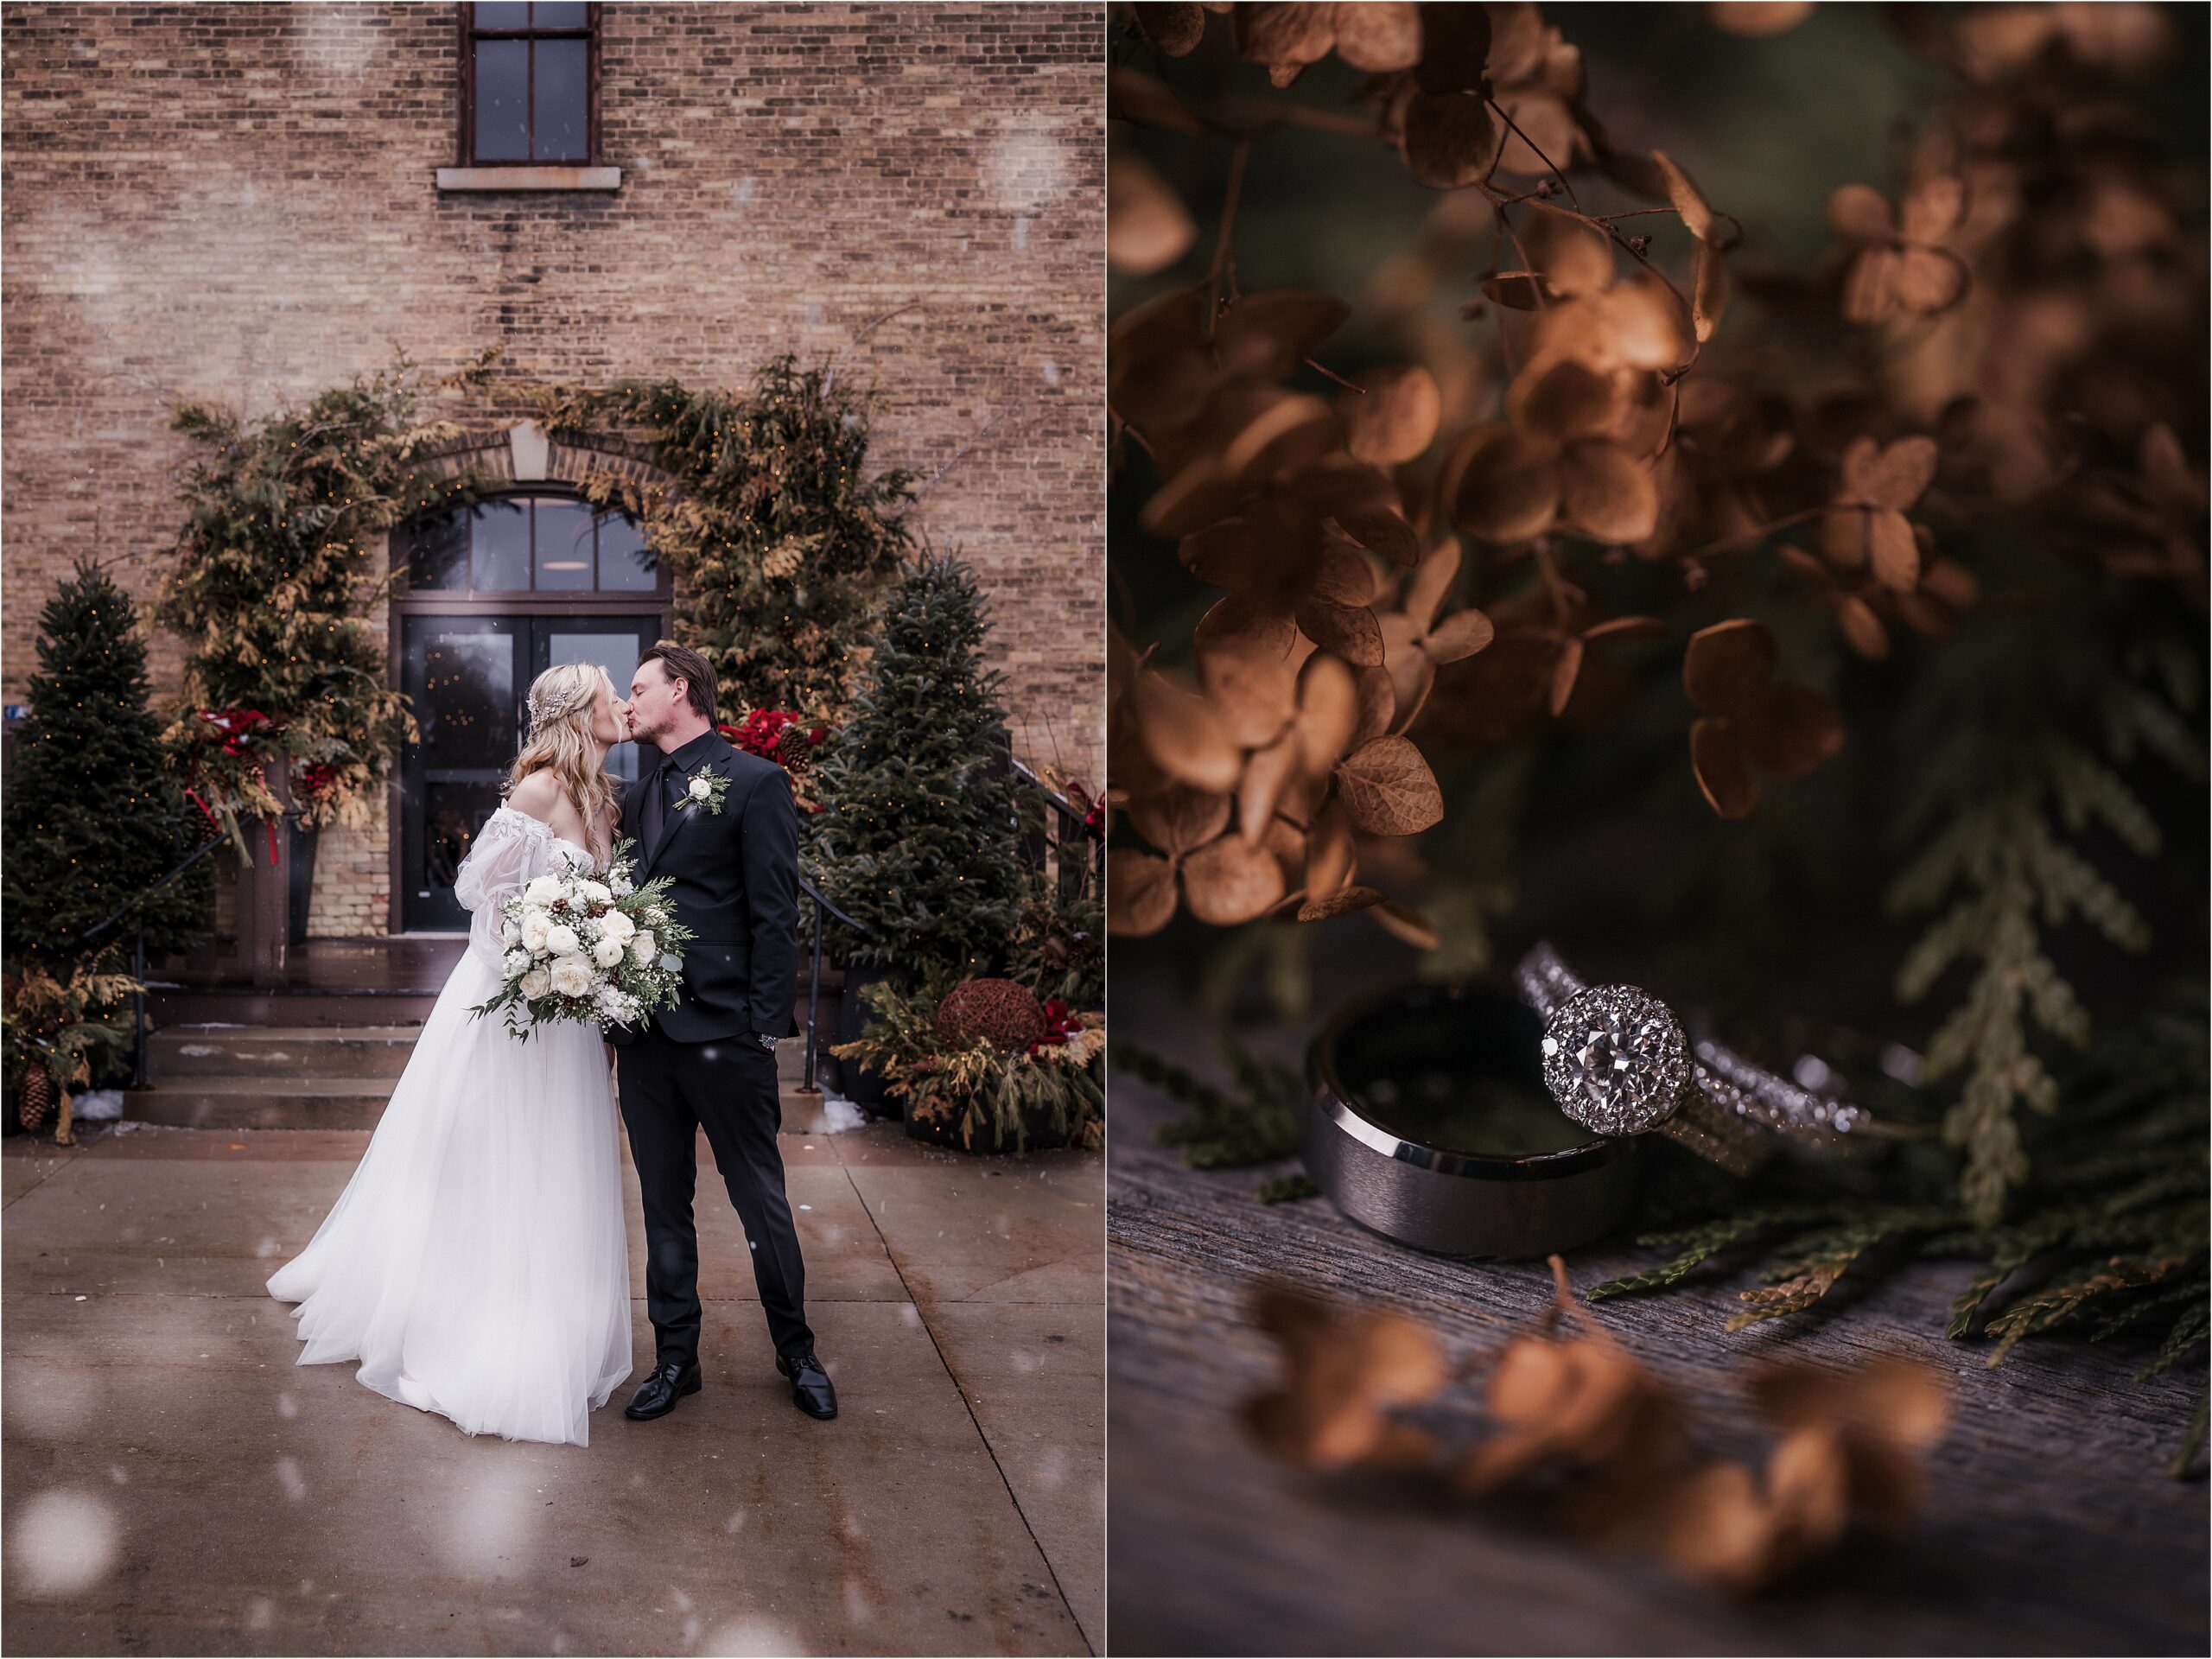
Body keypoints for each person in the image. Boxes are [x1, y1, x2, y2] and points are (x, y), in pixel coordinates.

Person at [265, 662, 633, 1446]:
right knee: (492, 1160)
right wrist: (537, 964)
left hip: (568, 1013)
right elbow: (478, 894)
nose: (623, 703)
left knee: (558, 1158)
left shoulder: (604, 798)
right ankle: (476, 1315)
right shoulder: (537, 790)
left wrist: (592, 965)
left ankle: (557, 1313)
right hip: (512, 1002)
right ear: (579, 711)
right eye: (611, 695)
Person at [608, 639, 837, 1422]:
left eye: (639, 687)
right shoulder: (637, 798)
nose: (627, 701)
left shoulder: (755, 782)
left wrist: (764, 1030)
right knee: (663, 1206)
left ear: (681, 690)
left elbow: (776, 914)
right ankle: (677, 1360)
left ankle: (797, 1351)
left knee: (759, 1200)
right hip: (645, 1041)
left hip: (727, 1037)